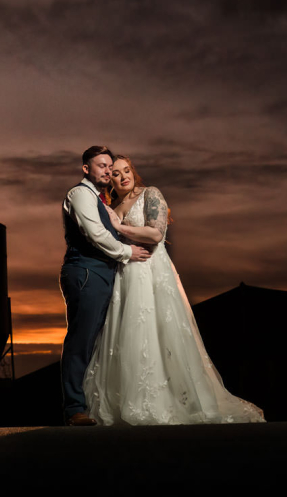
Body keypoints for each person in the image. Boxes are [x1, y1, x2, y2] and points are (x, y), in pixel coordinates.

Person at [83, 154, 266, 425]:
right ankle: (130, 400)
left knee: (160, 332)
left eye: (127, 170)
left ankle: (173, 400)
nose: (123, 177)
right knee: (129, 335)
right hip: (125, 276)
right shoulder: (113, 206)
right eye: (117, 173)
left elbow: (156, 234)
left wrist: (120, 227)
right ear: (110, 180)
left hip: (152, 271)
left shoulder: (150, 194)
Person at [59, 146, 153, 426]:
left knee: (100, 343)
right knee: (82, 339)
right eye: (101, 165)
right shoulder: (80, 194)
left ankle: (92, 404)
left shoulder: (101, 200)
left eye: (110, 167)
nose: (108, 171)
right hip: (87, 271)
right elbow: (96, 234)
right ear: (86, 168)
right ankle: (74, 408)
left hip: (102, 272)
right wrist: (128, 252)